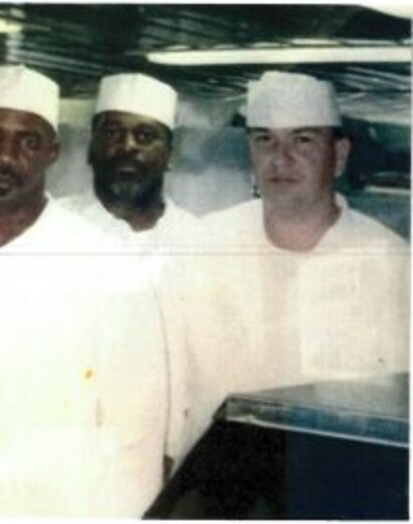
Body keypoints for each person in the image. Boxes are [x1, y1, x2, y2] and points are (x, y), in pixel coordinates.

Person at [0, 65, 169, 517]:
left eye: (27, 142)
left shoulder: (106, 264)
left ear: (52, 152)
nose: (5, 156)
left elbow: (136, 433)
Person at [161, 71, 410, 466]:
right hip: (216, 482)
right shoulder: (201, 246)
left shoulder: (392, 264)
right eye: (265, 140)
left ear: (339, 156)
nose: (281, 159)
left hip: (338, 481)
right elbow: (170, 384)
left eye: (303, 140)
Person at [60, 73, 197, 283]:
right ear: (90, 148)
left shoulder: (195, 237)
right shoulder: (53, 224)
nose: (127, 146)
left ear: (170, 155)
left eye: (145, 136)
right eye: (112, 133)